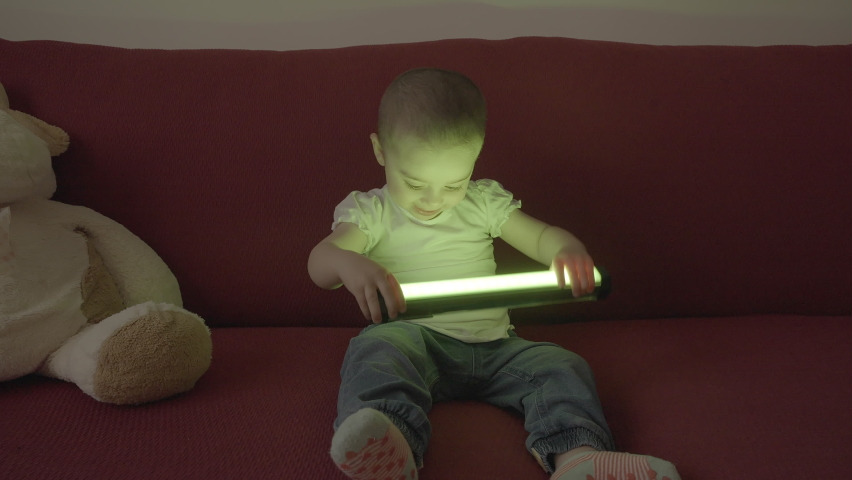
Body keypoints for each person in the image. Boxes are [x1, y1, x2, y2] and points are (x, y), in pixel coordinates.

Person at [307, 68, 680, 480]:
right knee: (375, 350)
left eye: (454, 183)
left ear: (476, 158)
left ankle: (578, 457)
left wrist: (566, 249)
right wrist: (347, 261)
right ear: (380, 151)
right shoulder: (371, 212)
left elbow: (539, 237)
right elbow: (320, 263)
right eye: (414, 183)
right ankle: (391, 445)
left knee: (562, 366)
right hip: (414, 339)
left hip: (497, 348)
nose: (434, 199)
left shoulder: (483, 201)